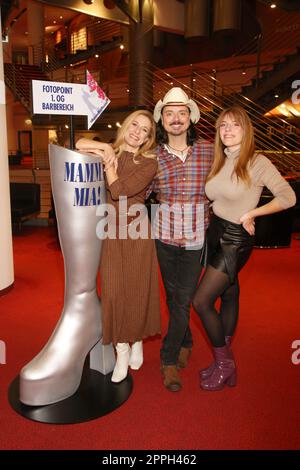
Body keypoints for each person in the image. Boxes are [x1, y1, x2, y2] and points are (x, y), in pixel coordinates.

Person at [192, 105, 296, 391]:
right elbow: (219, 196)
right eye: (223, 125)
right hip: (216, 233)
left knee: (200, 302)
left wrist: (252, 214)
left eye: (234, 125)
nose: (227, 130)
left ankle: (225, 363)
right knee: (229, 295)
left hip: (235, 240)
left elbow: (288, 197)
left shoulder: (256, 160)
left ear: (246, 130)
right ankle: (227, 366)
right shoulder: (221, 159)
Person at [76, 110, 161, 383]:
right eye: (134, 125)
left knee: (135, 289)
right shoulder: (109, 150)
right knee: (113, 290)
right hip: (110, 227)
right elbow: (77, 144)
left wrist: (109, 163)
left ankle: (135, 340)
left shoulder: (149, 162)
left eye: (145, 130)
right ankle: (121, 349)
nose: (137, 131)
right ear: (126, 125)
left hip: (136, 228)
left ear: (149, 138)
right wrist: (104, 147)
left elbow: (119, 191)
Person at [149, 87, 214, 392]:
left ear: (191, 118)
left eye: (182, 113)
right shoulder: (152, 155)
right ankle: (186, 340)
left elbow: (231, 181)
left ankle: (168, 359)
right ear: (162, 119)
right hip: (163, 236)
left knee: (184, 299)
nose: (176, 119)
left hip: (195, 238)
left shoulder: (210, 151)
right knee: (174, 298)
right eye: (169, 113)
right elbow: (137, 190)